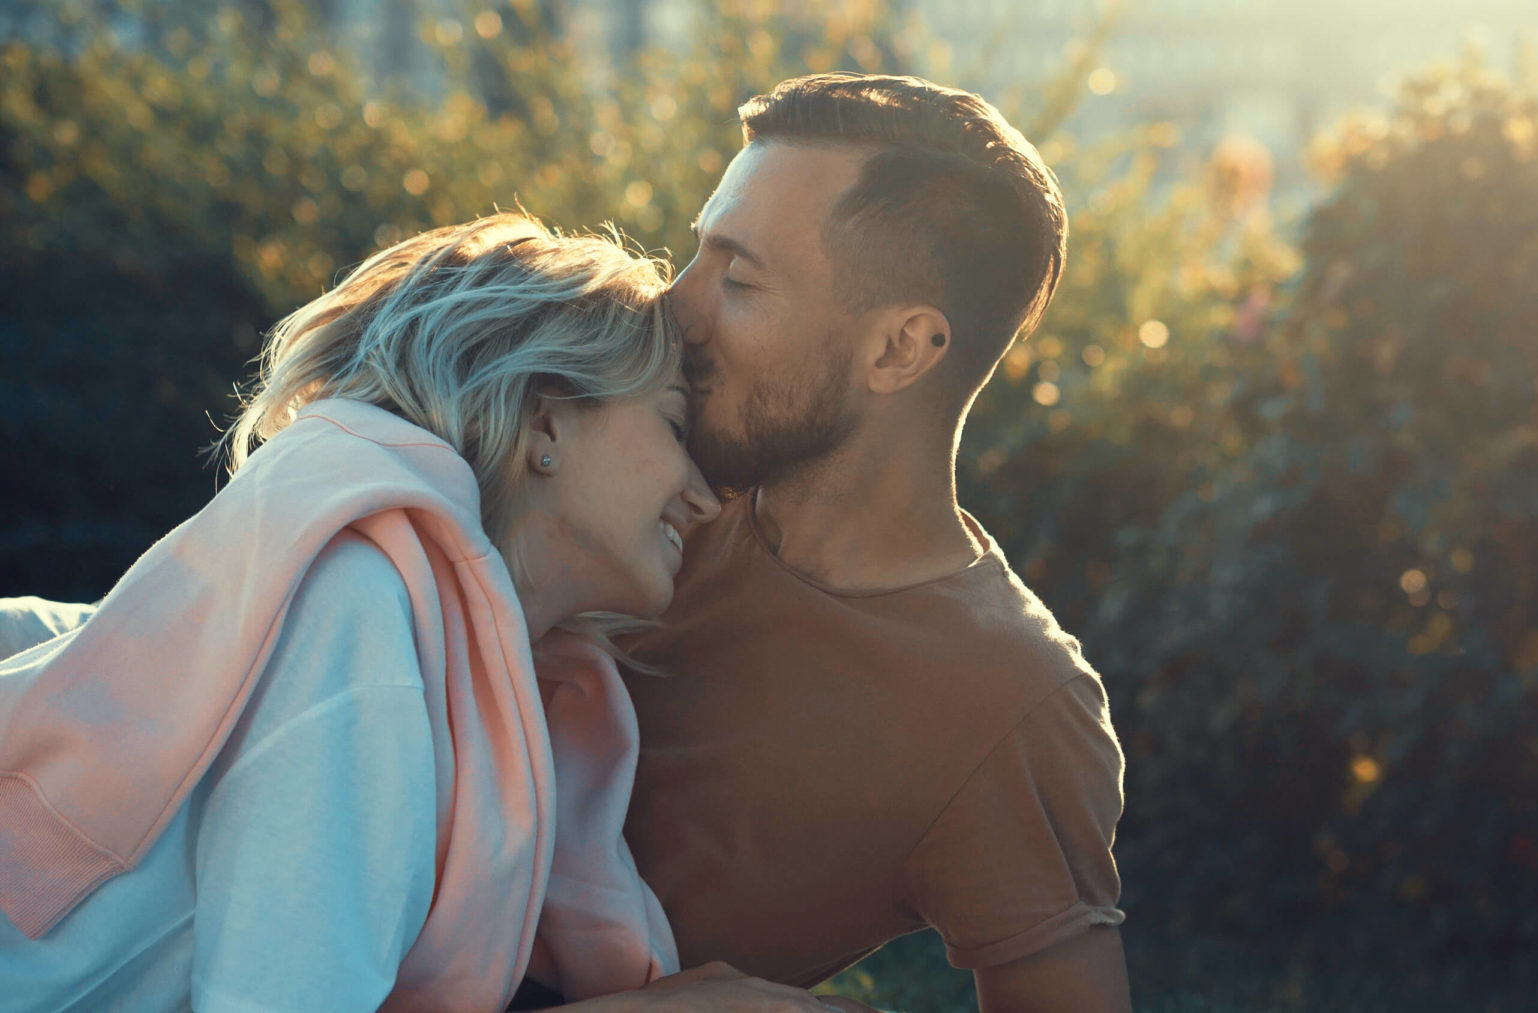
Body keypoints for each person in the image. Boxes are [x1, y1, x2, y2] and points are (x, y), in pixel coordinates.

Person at [0, 211, 866, 1012]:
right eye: (676, 427)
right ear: (546, 420)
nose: (702, 497)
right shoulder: (359, 608)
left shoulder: (465, 661)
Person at [590, 73, 1131, 1012]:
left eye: (741, 278)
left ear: (898, 350)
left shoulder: (1005, 702)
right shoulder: (621, 468)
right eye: (697, 255)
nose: (676, 307)